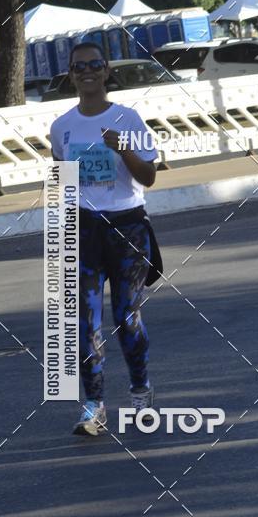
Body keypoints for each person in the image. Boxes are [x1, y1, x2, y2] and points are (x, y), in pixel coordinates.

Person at [50, 42, 161, 436]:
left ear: (106, 70)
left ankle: (140, 389)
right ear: (70, 74)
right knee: (85, 322)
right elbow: (62, 182)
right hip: (84, 232)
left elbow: (149, 177)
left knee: (127, 318)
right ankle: (94, 405)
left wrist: (125, 149)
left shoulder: (127, 118)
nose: (87, 72)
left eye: (94, 65)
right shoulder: (61, 127)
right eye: (79, 67)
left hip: (128, 229)